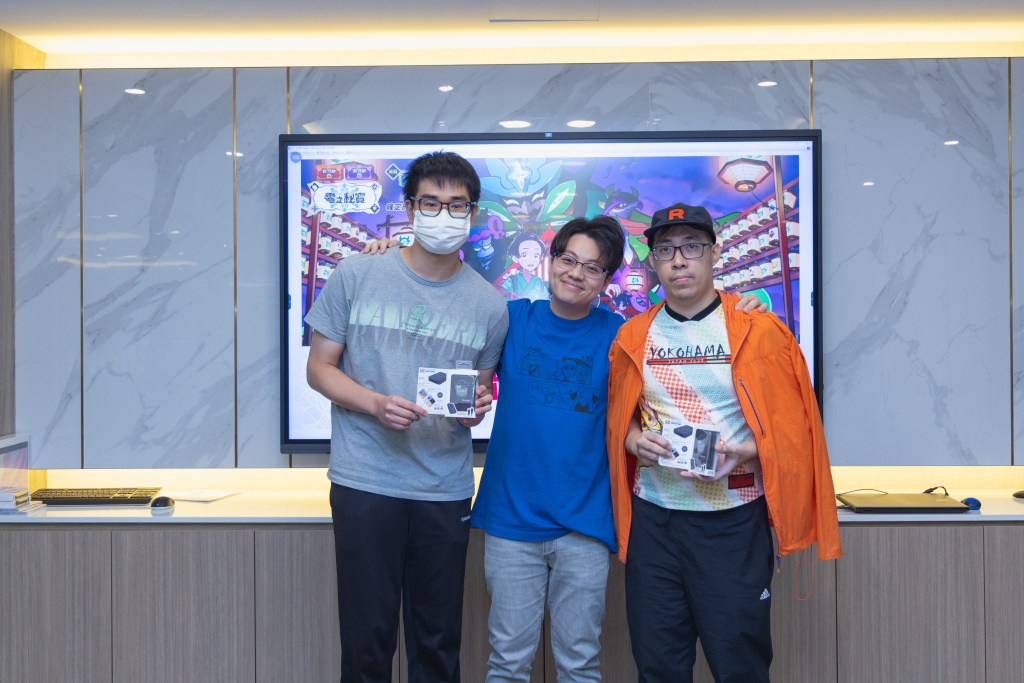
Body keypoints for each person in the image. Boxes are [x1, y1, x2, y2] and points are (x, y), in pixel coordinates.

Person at [364, 214, 766, 683]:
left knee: (579, 663)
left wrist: (740, 306)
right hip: (511, 521)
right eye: (568, 260)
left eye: (592, 268)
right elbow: (445, 304)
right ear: (551, 262)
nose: (576, 273)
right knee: (507, 662)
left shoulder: (622, 335)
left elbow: (644, 404)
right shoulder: (512, 319)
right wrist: (391, 256)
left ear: (607, 280)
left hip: (586, 524)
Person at [605, 202, 842, 683]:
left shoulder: (760, 329)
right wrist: (634, 441)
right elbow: (620, 419)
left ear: (715, 254)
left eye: (692, 247)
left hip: (732, 521)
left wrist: (749, 450)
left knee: (740, 665)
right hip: (655, 521)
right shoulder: (632, 335)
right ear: (653, 262)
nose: (679, 260)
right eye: (666, 250)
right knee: (658, 665)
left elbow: (797, 427)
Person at [304, 151, 509, 683]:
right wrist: (374, 403)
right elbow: (319, 369)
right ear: (410, 207)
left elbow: (475, 398)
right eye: (431, 203)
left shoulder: (490, 305)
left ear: (473, 212)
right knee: (366, 641)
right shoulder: (358, 273)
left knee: (437, 644)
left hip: (443, 488)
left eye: (457, 205)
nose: (444, 214)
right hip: (366, 480)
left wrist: (476, 411)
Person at [500, 231, 549, 301]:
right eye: (524, 255)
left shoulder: (539, 282)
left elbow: (546, 300)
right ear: (515, 258)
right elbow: (500, 298)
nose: (531, 259)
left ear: (540, 258)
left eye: (536, 255)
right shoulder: (511, 281)